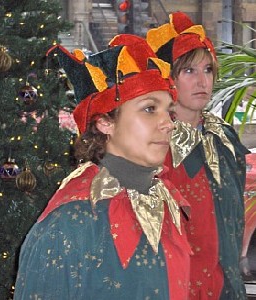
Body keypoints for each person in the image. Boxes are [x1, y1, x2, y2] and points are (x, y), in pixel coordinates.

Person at [13, 35, 192, 299]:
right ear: (105, 122)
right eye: (149, 109)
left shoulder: (164, 203)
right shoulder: (69, 223)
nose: (168, 124)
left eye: (170, 112)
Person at [147, 11, 250, 300]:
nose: (202, 80)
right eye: (189, 71)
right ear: (169, 77)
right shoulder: (154, 142)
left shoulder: (225, 137)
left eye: (207, 70)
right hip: (175, 284)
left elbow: (235, 217)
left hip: (225, 283)